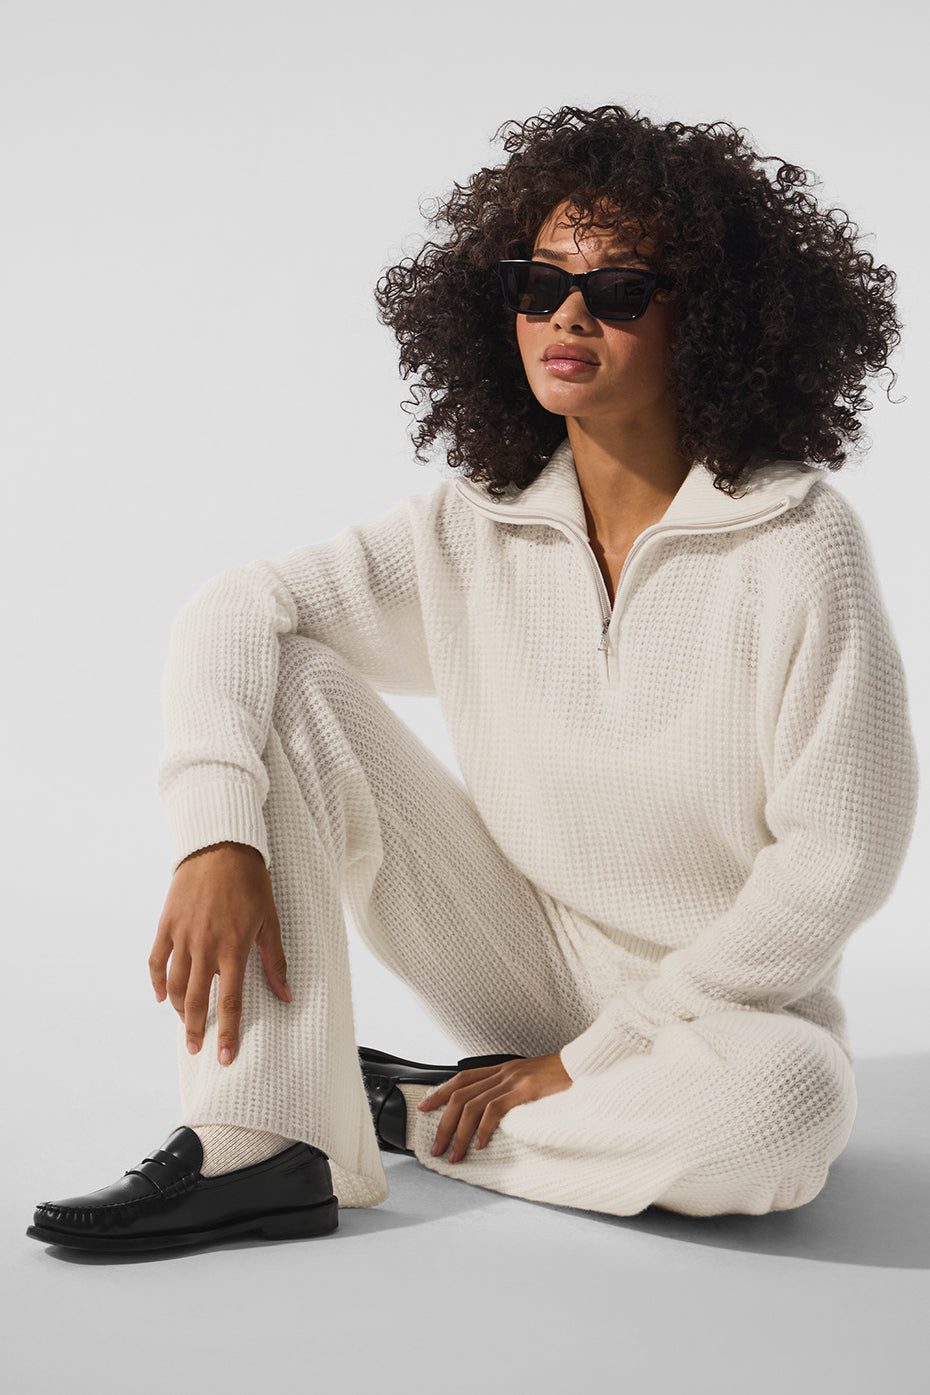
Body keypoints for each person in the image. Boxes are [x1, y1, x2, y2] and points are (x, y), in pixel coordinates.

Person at [28, 103, 918, 1253]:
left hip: (724, 1014)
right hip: (515, 956)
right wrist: (217, 837)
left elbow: (838, 859)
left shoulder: (796, 543)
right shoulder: (473, 528)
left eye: (620, 291)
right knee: (291, 682)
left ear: (715, 317)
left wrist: (594, 1058)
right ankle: (259, 1135)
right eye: (538, 284)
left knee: (786, 1115)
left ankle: (399, 1111)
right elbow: (236, 610)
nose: (569, 317)